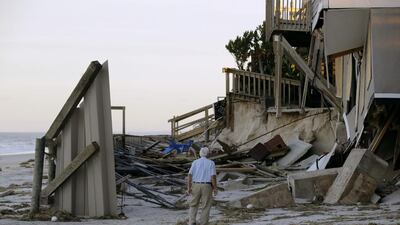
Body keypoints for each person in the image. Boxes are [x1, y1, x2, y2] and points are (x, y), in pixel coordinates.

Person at [187, 147, 217, 225]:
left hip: (195, 185)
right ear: (208, 154)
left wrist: (189, 187)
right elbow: (213, 177)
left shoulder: (195, 162)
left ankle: (192, 222)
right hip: (207, 186)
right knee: (206, 206)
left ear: (200, 153)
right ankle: (203, 223)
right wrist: (215, 188)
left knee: (193, 204)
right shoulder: (211, 163)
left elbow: (189, 175)